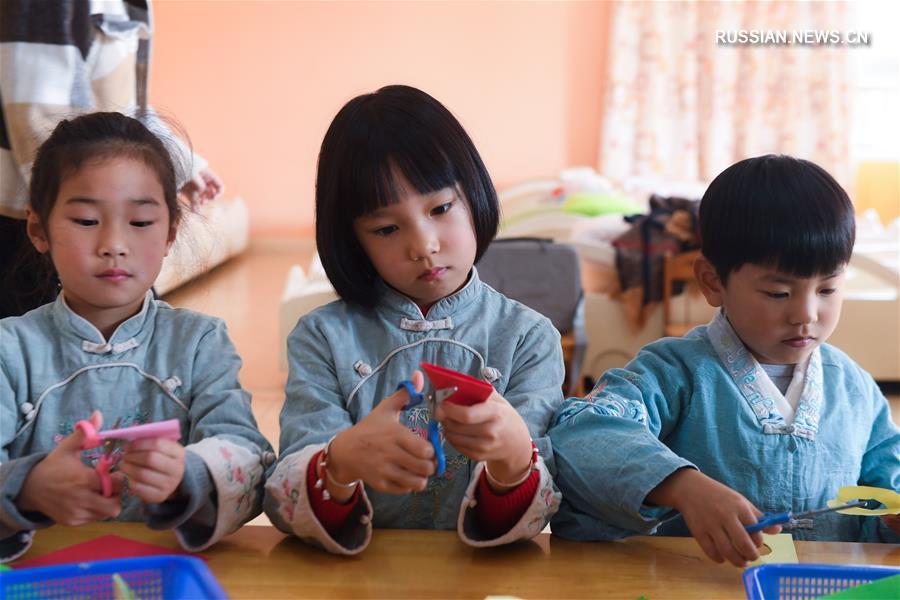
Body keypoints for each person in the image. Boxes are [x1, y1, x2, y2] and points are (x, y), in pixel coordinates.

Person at [548, 154, 900, 567]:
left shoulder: (855, 389)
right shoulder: (674, 372)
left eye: (827, 290)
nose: (806, 313)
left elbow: (883, 501)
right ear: (713, 282)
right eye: (778, 293)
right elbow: (581, 434)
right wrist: (681, 485)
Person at [264, 85, 564, 554]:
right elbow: (284, 501)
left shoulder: (528, 337)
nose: (423, 245)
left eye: (440, 208)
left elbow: (540, 511)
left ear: (474, 194)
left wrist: (512, 459)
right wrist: (339, 463)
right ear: (352, 240)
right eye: (386, 228)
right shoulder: (322, 337)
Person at [0, 112, 272, 563]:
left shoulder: (199, 343)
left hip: (165, 574)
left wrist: (190, 473)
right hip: (40, 580)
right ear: (37, 230)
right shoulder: (11, 349)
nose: (114, 243)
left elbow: (250, 459)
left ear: (170, 232)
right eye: (87, 220)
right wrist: (26, 489)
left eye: (141, 222)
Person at [0, 0, 223, 318]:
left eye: (142, 222)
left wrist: (181, 163)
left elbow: (124, 109)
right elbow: (38, 118)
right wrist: (80, 212)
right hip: (34, 224)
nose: (116, 245)